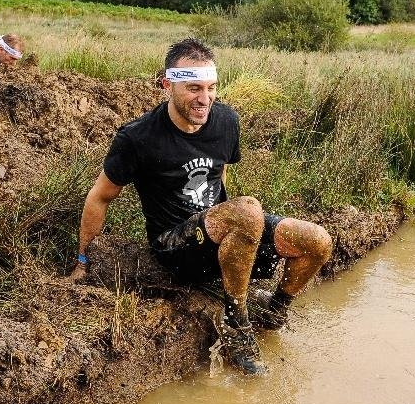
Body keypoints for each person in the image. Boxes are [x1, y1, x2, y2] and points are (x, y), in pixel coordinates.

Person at [69, 38, 333, 375]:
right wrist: (82, 260)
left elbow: (220, 174)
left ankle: (274, 310)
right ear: (167, 85)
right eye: (194, 88)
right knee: (248, 210)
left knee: (317, 241)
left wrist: (239, 229)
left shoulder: (226, 121)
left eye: (211, 88)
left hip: (224, 227)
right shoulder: (138, 138)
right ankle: (238, 325)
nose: (204, 99)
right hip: (175, 245)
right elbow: (99, 197)